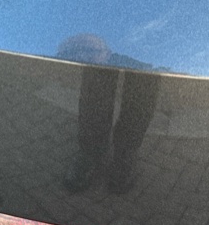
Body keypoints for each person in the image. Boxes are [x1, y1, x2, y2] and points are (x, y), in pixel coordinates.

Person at [57, 34, 159, 193]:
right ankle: (90, 150)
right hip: (107, 23)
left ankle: (126, 153)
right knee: (97, 75)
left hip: (148, 31)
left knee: (143, 82)